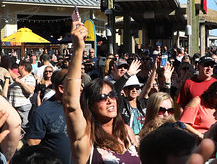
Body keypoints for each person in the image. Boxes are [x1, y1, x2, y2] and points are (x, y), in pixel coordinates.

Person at [65, 20, 140, 164]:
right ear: (91, 105)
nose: (110, 100)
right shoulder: (87, 137)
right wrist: (78, 50)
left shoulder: (127, 132)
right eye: (102, 97)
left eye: (112, 95)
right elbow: (70, 104)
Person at [26, 69, 71, 164]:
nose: (81, 88)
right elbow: (32, 146)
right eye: (76, 86)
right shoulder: (43, 112)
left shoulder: (83, 107)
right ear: (62, 88)